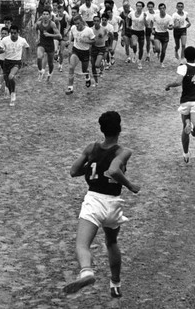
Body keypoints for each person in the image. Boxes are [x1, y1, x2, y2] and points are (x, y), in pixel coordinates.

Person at [63, 111, 140, 297]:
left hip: (94, 200)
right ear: (119, 129)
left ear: (101, 129)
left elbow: (74, 171)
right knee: (112, 241)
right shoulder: (123, 151)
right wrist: (130, 186)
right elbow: (114, 169)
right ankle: (115, 283)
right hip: (113, 203)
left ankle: (87, 272)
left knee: (82, 245)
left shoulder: (91, 148)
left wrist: (91, 165)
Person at [0, 24, 30, 106]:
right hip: (7, 62)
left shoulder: (22, 40)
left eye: (15, 33)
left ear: (18, 33)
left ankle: (13, 94)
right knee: (7, 82)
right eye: (11, 33)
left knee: (11, 77)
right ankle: (10, 91)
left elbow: (27, 47)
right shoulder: (5, 40)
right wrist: (1, 51)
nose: (13, 35)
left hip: (16, 62)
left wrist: (26, 58)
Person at [66, 14, 96, 95]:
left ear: (82, 22)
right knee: (71, 67)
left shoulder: (88, 30)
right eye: (75, 23)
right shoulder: (73, 28)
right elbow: (71, 33)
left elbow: (94, 41)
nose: (77, 25)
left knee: (84, 70)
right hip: (76, 51)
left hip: (85, 52)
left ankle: (87, 76)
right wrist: (69, 40)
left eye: (78, 23)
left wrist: (86, 41)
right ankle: (70, 88)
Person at [36, 7, 61, 82]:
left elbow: (59, 35)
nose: (45, 16)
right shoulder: (39, 23)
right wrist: (37, 37)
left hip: (50, 45)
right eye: (44, 14)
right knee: (39, 57)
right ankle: (40, 72)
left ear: (49, 16)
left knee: (50, 63)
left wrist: (49, 35)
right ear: (42, 15)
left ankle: (50, 73)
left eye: (47, 14)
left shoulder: (52, 24)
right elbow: (36, 29)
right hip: (42, 44)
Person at [91, 14, 111, 85]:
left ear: (100, 21)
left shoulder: (104, 29)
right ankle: (96, 81)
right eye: (94, 21)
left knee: (96, 65)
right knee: (93, 66)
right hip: (93, 48)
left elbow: (109, 35)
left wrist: (108, 44)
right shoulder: (91, 29)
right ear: (93, 22)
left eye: (97, 21)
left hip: (101, 48)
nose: (96, 22)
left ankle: (102, 62)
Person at [153, 3, 173, 67]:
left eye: (163, 8)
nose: (162, 10)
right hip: (157, 34)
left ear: (165, 9)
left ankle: (161, 62)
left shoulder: (169, 17)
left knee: (163, 51)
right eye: (161, 8)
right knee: (158, 49)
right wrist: (153, 29)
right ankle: (156, 51)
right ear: (159, 9)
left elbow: (171, 27)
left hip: (165, 34)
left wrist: (168, 27)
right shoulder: (155, 16)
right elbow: (152, 23)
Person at [128, 1, 147, 70]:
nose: (138, 7)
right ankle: (134, 53)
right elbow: (129, 20)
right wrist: (128, 26)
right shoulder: (131, 13)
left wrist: (144, 18)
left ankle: (139, 61)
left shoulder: (144, 14)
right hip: (134, 31)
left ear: (142, 7)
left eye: (140, 6)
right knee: (134, 44)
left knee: (141, 47)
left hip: (141, 32)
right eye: (137, 6)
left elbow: (146, 25)